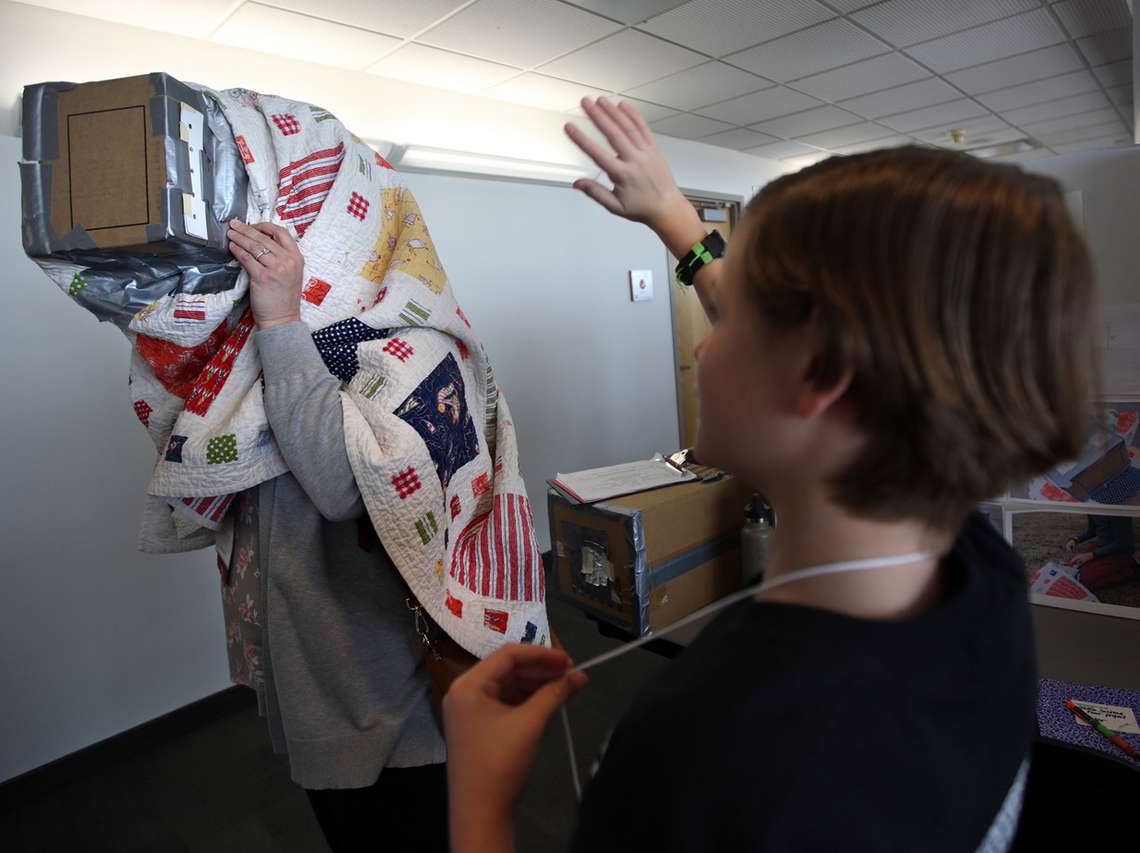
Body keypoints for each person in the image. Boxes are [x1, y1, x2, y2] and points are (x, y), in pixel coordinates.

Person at [443, 96, 1098, 852]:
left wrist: (481, 806)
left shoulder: (709, 754)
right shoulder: (982, 581)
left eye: (741, 313)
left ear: (821, 370)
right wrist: (675, 219)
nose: (708, 346)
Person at [224, 218, 448, 852]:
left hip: (386, 690)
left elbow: (344, 487)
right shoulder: (277, 335)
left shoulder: (415, 341)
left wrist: (280, 324)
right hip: (314, 667)